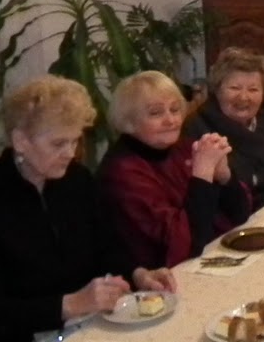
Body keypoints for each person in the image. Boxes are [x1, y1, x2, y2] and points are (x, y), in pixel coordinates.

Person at [0, 76, 175, 342]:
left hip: (72, 335)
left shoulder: (76, 182)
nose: (70, 153)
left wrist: (139, 274)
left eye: (75, 141)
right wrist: (70, 305)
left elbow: (106, 247)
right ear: (20, 141)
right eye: (58, 144)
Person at [97, 71, 247, 268]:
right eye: (156, 113)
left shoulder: (182, 147)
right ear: (129, 120)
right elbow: (183, 244)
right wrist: (202, 175)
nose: (171, 120)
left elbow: (240, 216)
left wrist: (224, 176)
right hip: (160, 276)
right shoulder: (122, 172)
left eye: (175, 110)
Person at [185, 46, 264, 206]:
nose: (243, 97)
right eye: (234, 88)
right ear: (217, 89)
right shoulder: (198, 128)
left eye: (253, 89)